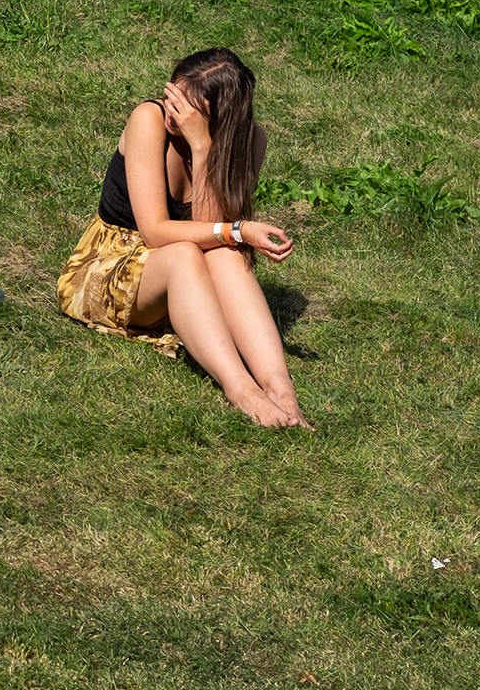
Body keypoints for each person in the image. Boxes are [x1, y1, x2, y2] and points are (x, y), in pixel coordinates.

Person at [55, 48, 311, 429]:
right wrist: (237, 228)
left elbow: (210, 233)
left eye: (187, 108)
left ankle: (281, 390)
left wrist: (203, 148)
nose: (173, 111)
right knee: (190, 252)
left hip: (177, 274)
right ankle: (242, 390)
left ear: (219, 117)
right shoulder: (150, 120)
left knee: (225, 254)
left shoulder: (248, 142)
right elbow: (156, 233)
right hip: (105, 270)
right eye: (172, 95)